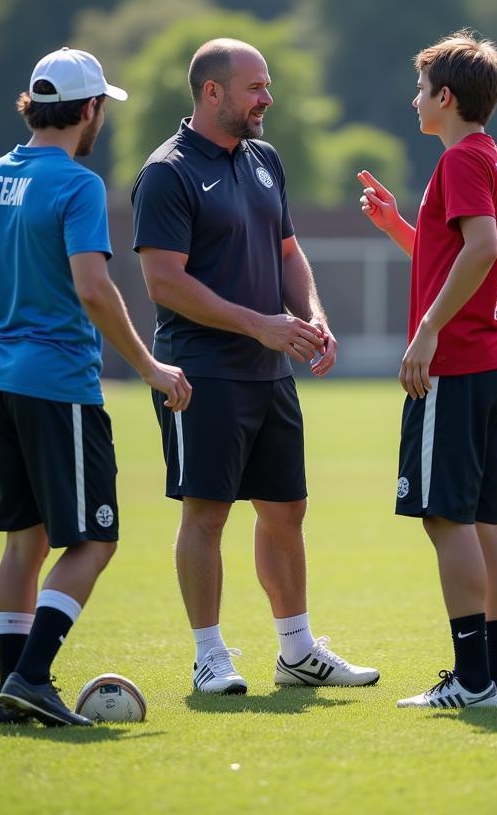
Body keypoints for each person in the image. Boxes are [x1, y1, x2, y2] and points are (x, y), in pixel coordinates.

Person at [0, 47, 192, 727]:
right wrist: (151, 368)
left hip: (0, 383)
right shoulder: (77, 185)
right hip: (59, 390)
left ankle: (13, 689)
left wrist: (3, 325)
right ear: (90, 109)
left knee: (25, 542)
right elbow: (93, 289)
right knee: (94, 541)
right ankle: (33, 676)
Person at [131, 37, 378, 696]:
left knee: (286, 509)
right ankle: (210, 657)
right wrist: (259, 324)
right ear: (212, 93)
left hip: (270, 372)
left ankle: (297, 652)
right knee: (206, 513)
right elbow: (163, 282)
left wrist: (313, 315)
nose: (267, 97)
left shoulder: (265, 159)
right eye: (255, 87)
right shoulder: (167, 172)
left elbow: (289, 252)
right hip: (200, 374)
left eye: (267, 85)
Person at [358, 30, 497, 710]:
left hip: (457, 364)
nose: (414, 99)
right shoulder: (488, 155)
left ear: (445, 97)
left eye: (422, 88)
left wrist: (427, 330)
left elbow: (479, 249)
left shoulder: (459, 160)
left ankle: (473, 680)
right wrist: (401, 226)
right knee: (483, 521)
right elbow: (455, 251)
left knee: (446, 520)